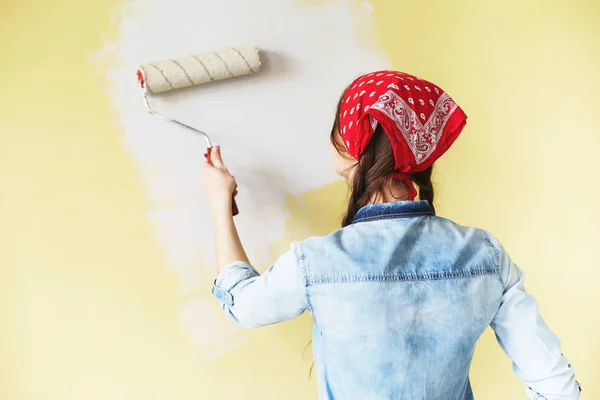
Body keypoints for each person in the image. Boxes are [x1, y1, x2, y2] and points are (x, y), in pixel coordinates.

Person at [202, 70, 581, 400]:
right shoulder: (485, 255)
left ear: (351, 144)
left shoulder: (318, 262)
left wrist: (220, 203)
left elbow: (241, 303)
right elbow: (556, 386)